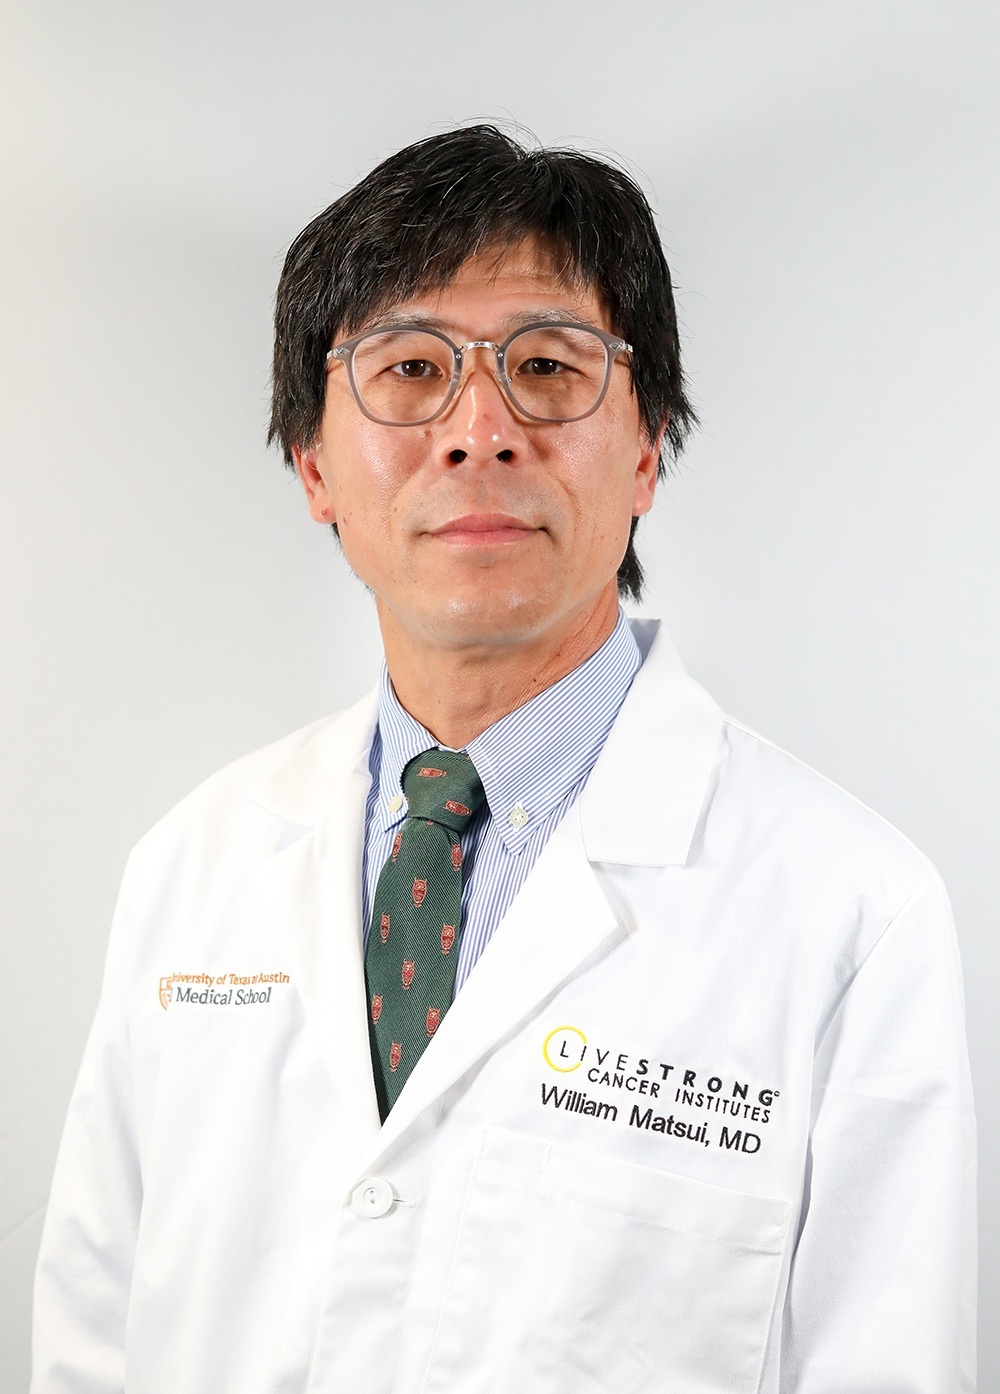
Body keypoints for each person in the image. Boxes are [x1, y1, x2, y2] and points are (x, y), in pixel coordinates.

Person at [31, 125, 976, 1393]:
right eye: (410, 368)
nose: (480, 429)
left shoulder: (855, 913)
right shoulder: (192, 864)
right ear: (314, 464)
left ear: (647, 450)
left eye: (546, 364)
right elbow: (91, 1336)